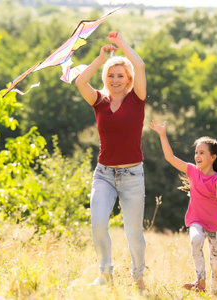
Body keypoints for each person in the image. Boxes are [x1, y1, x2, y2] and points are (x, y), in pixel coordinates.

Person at [75, 31, 147, 290]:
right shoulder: (99, 101)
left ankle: (138, 277)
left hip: (132, 176)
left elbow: (139, 64)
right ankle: (105, 274)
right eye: (110, 75)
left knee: (133, 233)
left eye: (120, 75)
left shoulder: (137, 100)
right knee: (97, 224)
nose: (115, 80)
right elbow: (81, 82)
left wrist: (120, 44)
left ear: (128, 79)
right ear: (105, 78)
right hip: (103, 174)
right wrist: (100, 59)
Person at [150, 120, 217, 296]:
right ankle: (200, 280)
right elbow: (170, 158)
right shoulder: (192, 171)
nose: (197, 155)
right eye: (196, 152)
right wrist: (163, 135)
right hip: (196, 220)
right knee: (195, 240)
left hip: (216, 224)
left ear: (213, 157)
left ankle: (215, 293)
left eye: (202, 152)